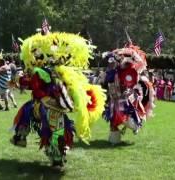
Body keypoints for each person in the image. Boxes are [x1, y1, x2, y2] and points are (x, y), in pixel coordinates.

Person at [11, 32, 106, 169]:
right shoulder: (63, 71)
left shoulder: (42, 71)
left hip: (46, 103)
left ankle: (22, 137)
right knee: (57, 128)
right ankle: (54, 155)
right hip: (55, 105)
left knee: (28, 111)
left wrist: (19, 79)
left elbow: (32, 85)